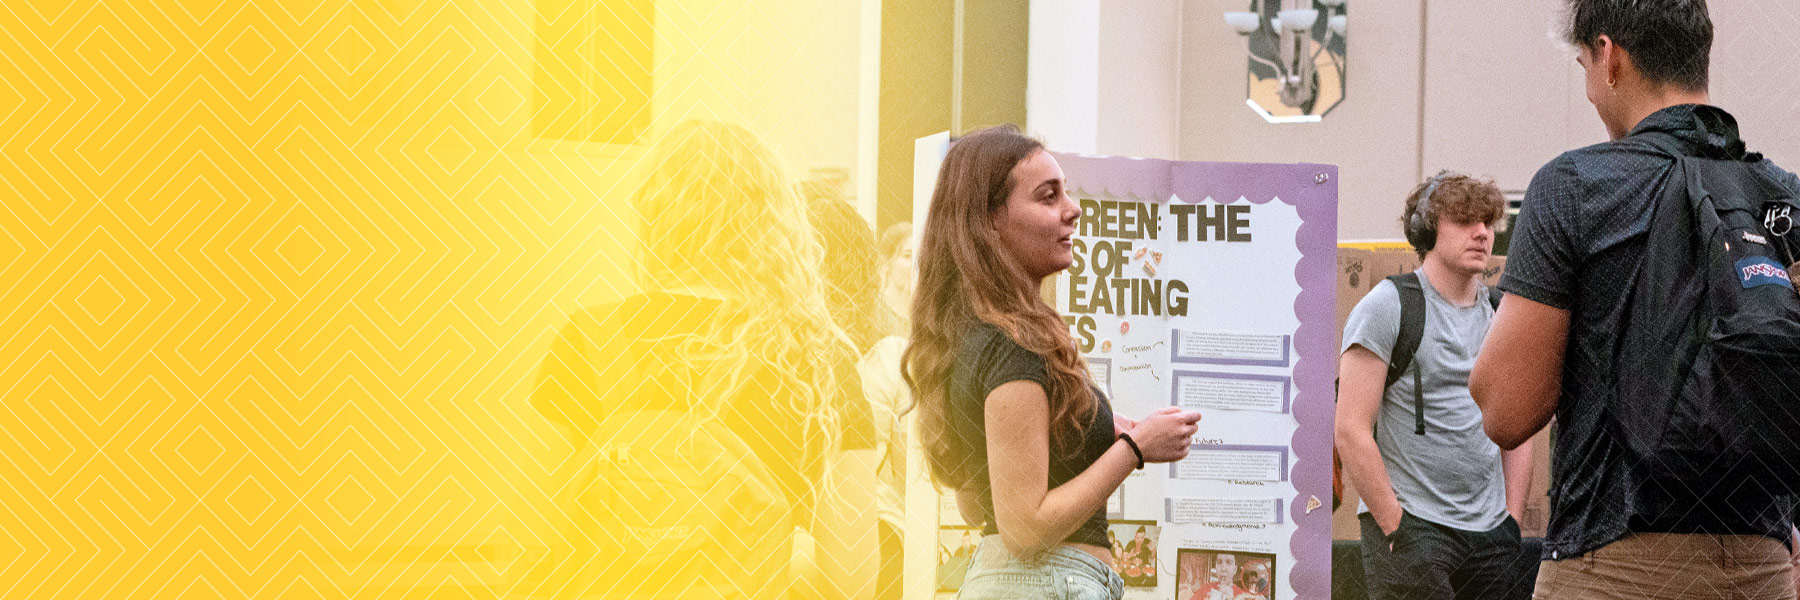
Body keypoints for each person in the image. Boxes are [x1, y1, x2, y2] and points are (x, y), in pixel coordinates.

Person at [1471, 1, 1800, 597]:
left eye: (1585, 68)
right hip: (1764, 565)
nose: (1592, 93)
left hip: (1613, 564)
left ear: (1609, 56)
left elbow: (1507, 411)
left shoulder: (1572, 187)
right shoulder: (1783, 196)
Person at [530, 121, 878, 600]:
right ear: (772, 220)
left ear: (651, 213)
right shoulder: (815, 358)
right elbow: (853, 581)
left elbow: (540, 534)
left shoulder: (586, 342)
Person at [903, 125, 1202, 600]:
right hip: (1043, 583)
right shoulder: (1014, 346)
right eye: (1048, 197)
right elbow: (1023, 528)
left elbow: (973, 503)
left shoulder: (974, 338)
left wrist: (1089, 433)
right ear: (989, 221)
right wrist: (1137, 448)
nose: (1073, 209)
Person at [1335, 172, 1529, 599]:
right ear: (1426, 229)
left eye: (1487, 222)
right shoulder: (1387, 307)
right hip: (1412, 527)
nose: (1481, 233)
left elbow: (1517, 425)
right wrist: (1393, 524)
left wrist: (1511, 520)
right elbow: (1350, 429)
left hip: (1491, 532)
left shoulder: (1501, 315)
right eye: (1464, 221)